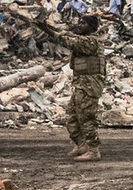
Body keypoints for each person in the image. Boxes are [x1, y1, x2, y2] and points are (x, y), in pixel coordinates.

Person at [37, 14, 106, 161]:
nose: (80, 25)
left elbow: (68, 41)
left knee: (86, 118)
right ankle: (81, 145)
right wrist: (49, 28)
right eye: (79, 22)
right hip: (81, 84)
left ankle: (93, 150)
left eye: (83, 23)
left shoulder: (91, 41)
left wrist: (48, 31)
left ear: (92, 27)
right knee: (72, 116)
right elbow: (69, 36)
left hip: (89, 86)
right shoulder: (83, 39)